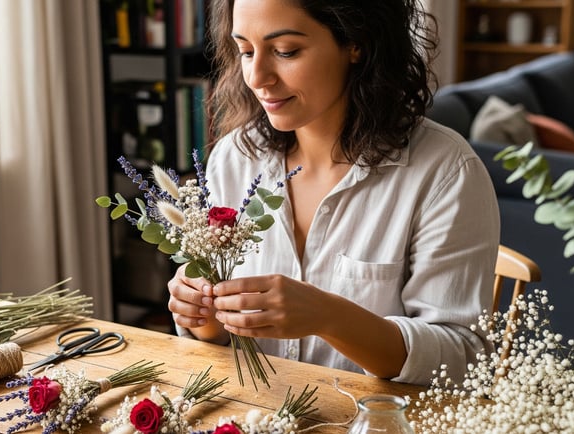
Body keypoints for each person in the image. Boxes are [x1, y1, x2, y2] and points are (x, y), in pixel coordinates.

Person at [167, 0, 500, 385]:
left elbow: (462, 358)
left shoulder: (444, 171)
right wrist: (204, 317)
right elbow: (222, 346)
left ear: (355, 42)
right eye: (245, 51)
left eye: (285, 51)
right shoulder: (234, 158)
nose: (257, 77)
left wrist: (329, 316)